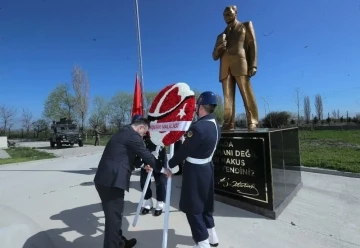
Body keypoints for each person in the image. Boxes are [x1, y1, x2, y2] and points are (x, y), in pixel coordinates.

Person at [94, 117, 172, 248]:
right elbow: (146, 155)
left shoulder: (123, 132)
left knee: (113, 217)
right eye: (143, 133)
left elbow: (130, 157)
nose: (142, 137)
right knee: (114, 220)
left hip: (105, 180)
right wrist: (163, 169)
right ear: (140, 128)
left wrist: (143, 166)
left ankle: (120, 242)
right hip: (112, 182)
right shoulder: (132, 135)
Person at [167, 91, 221, 248]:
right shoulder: (216, 126)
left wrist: (169, 165)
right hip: (207, 168)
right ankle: (212, 237)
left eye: (197, 106)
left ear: (201, 107)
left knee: (193, 208)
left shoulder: (198, 128)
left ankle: (203, 242)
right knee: (205, 205)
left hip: (195, 171)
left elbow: (184, 152)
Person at [131, 114, 167, 216]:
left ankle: (160, 203)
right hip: (145, 160)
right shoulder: (135, 136)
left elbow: (162, 143)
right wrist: (143, 164)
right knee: (143, 182)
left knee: (160, 182)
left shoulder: (155, 130)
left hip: (158, 159)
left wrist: (154, 158)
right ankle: (148, 202)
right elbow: (134, 155)